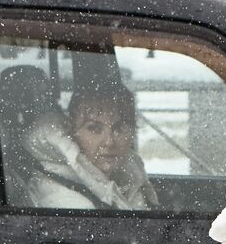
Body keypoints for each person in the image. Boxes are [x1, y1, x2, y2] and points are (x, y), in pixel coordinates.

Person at [23, 84, 158, 211]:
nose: (109, 142)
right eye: (94, 128)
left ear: (133, 132)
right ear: (72, 133)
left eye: (119, 128)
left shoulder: (129, 179)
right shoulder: (67, 201)